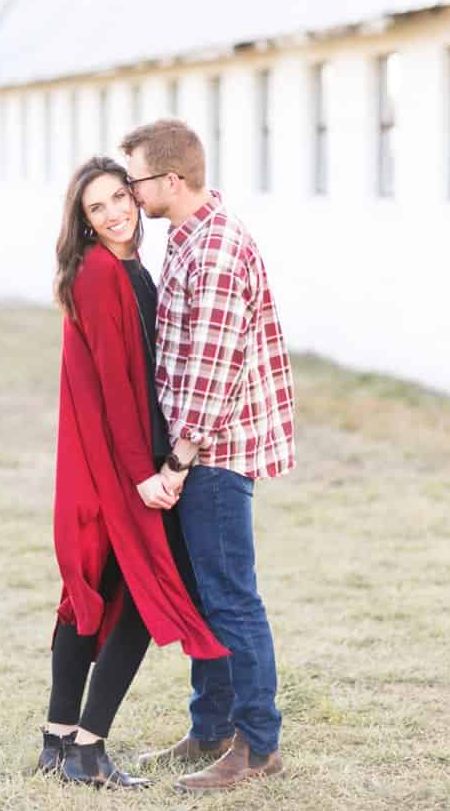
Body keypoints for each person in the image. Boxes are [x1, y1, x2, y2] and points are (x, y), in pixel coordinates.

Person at [41, 156, 229, 788]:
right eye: (98, 207)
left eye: (120, 197)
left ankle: (58, 739)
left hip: (115, 460)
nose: (117, 212)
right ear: (84, 221)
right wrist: (144, 475)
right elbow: (120, 392)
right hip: (123, 466)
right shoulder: (99, 274)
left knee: (93, 593)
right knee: (143, 600)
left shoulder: (125, 267)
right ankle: (88, 749)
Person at [120, 119, 296, 793]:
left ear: (170, 179)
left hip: (214, 457)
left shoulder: (215, 250)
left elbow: (212, 373)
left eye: (135, 180)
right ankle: (211, 729)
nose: (132, 194)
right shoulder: (189, 240)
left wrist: (178, 461)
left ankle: (257, 746)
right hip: (203, 453)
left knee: (231, 601)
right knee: (207, 596)